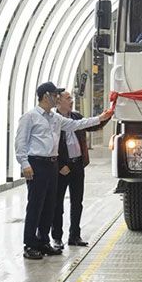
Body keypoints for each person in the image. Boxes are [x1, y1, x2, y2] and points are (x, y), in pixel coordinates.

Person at [15, 82, 113, 260]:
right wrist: (24, 164)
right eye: (55, 95)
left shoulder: (55, 118)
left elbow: (76, 124)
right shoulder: (30, 117)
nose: (57, 98)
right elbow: (20, 142)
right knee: (35, 206)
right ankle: (30, 244)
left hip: (52, 164)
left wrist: (100, 118)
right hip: (37, 164)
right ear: (46, 96)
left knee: (49, 205)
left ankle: (43, 241)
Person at [51, 91, 110, 249]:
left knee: (77, 202)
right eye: (68, 98)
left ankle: (75, 235)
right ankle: (56, 237)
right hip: (62, 167)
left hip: (77, 165)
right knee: (57, 204)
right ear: (58, 102)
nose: (72, 100)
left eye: (71, 98)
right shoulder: (53, 119)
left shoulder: (76, 116)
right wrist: (60, 165)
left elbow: (92, 125)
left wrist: (106, 116)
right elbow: (50, 144)